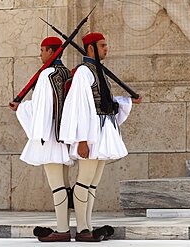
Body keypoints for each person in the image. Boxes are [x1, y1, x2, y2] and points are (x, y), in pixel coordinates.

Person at [59, 32, 142, 242]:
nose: (107, 48)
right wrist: (83, 139)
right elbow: (79, 108)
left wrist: (128, 101)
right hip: (91, 133)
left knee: (93, 182)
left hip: (103, 131)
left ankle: (87, 225)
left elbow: (106, 102)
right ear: (90, 48)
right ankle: (81, 229)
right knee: (84, 181)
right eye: (102, 45)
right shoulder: (83, 73)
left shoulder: (99, 71)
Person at [9, 37, 73, 242]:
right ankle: (69, 227)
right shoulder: (66, 72)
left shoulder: (47, 74)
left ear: (51, 52)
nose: (40, 55)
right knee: (64, 183)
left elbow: (40, 110)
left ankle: (62, 230)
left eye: (43, 50)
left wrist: (21, 108)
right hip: (64, 135)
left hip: (50, 137)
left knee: (57, 186)